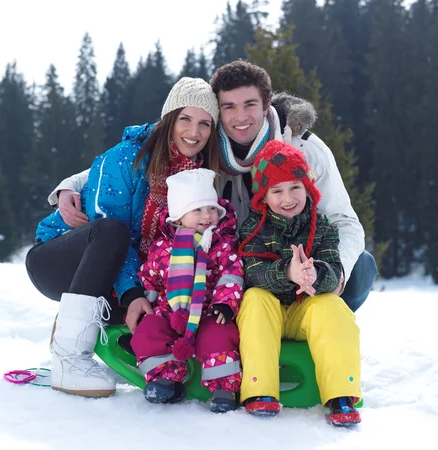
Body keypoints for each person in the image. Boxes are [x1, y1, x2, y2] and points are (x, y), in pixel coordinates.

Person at [51, 60, 377, 313]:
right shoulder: (204, 146)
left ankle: (316, 331)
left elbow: (345, 222)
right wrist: (71, 184)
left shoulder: (306, 151)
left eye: (250, 105)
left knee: (361, 267)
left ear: (267, 106)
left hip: (297, 260)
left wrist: (338, 274)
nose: (240, 117)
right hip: (233, 267)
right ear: (217, 112)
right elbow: (139, 154)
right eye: (229, 107)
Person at [25, 77, 221, 398]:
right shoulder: (125, 158)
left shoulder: (196, 174)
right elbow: (108, 228)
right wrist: (131, 295)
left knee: (161, 310)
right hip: (60, 259)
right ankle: (69, 359)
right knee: (113, 231)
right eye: (185, 118)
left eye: (204, 124)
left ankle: (86, 324)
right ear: (169, 118)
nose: (194, 131)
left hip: (119, 272)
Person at [237, 140, 362, 425]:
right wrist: (288, 273)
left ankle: (342, 393)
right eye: (277, 191)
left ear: (307, 188)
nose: (287, 198)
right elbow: (250, 271)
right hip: (269, 314)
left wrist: (315, 274)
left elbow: (334, 267)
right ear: (263, 197)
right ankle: (260, 389)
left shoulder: (323, 228)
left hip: (305, 313)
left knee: (332, 306)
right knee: (254, 298)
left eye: (295, 187)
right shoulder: (252, 228)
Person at [130, 169, 244, 413]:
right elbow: (149, 275)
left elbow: (232, 274)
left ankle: (224, 386)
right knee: (148, 331)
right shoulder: (162, 247)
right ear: (178, 217)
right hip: (171, 310)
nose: (207, 216)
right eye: (197, 210)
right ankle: (165, 378)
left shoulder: (222, 245)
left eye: (211, 209)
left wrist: (225, 303)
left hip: (209, 311)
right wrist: (148, 297)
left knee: (219, 336)